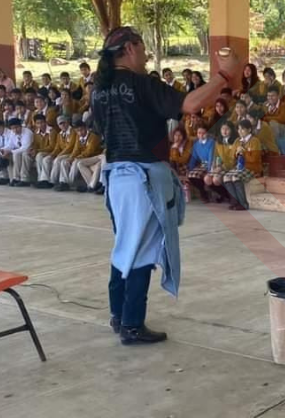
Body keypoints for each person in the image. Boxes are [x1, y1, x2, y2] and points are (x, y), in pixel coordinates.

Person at [91, 26, 240, 345]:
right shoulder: (142, 84)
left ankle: (119, 315)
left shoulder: (98, 90)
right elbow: (190, 104)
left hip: (116, 176)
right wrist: (224, 76)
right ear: (130, 48)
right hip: (141, 178)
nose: (146, 55)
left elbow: (101, 130)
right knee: (141, 250)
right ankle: (132, 324)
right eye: (142, 47)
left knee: (124, 245)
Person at [221, 119, 263, 211]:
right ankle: (235, 202)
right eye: (238, 129)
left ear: (249, 130)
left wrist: (243, 152)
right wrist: (236, 153)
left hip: (252, 168)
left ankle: (243, 203)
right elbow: (232, 157)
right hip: (239, 167)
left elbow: (254, 159)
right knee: (226, 177)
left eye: (242, 129)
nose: (240, 131)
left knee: (236, 177)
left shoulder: (255, 141)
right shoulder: (237, 141)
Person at [56, 120, 102, 191]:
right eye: (78, 131)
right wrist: (71, 157)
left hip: (92, 158)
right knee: (64, 162)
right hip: (83, 157)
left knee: (76, 162)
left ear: (86, 128)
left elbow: (89, 152)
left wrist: (77, 158)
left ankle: (69, 183)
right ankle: (64, 182)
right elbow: (76, 150)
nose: (80, 132)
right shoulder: (78, 136)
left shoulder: (93, 137)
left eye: (81, 130)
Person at [35, 116, 72, 189]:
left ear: (68, 123)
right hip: (61, 153)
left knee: (58, 160)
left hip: (70, 153)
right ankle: (44, 180)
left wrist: (58, 155)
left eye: (64, 123)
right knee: (46, 159)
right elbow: (57, 147)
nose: (63, 125)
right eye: (60, 124)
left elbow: (70, 147)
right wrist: (52, 154)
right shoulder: (60, 134)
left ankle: (54, 181)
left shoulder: (72, 132)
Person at [205, 122, 237, 203]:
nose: (224, 131)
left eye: (227, 129)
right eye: (222, 129)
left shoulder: (235, 142)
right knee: (207, 179)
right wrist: (214, 166)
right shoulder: (218, 141)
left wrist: (221, 167)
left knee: (216, 180)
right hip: (220, 166)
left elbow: (233, 159)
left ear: (232, 130)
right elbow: (216, 156)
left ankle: (230, 196)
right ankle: (223, 195)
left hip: (231, 166)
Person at [186, 126, 215, 201]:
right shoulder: (196, 144)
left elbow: (211, 157)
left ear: (207, 133)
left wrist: (209, 170)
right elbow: (194, 157)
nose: (201, 135)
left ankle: (205, 195)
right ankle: (203, 192)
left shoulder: (211, 142)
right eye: (199, 133)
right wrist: (190, 168)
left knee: (206, 177)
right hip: (202, 164)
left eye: (203, 133)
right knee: (190, 176)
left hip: (211, 163)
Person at [3, 118, 34, 187]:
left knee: (23, 154)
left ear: (21, 126)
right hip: (19, 152)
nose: (15, 130)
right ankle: (16, 178)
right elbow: (10, 145)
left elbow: (25, 147)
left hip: (30, 152)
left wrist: (11, 151)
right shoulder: (12, 133)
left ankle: (24, 179)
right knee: (15, 154)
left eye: (16, 127)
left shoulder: (27, 132)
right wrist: (4, 150)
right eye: (13, 128)